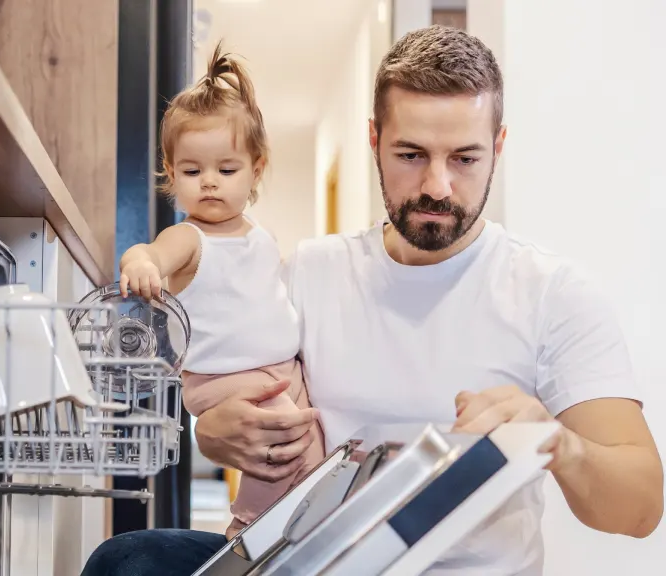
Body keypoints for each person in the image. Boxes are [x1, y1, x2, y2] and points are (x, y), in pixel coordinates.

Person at [82, 25, 664, 576]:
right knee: (127, 562)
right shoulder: (312, 270)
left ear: (498, 145)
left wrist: (554, 440)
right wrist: (211, 430)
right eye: (411, 155)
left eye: (465, 158)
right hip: (321, 561)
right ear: (374, 140)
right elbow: (232, 377)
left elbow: (640, 509)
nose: (438, 186)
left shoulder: (554, 294)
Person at [117, 40, 326, 542]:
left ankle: (299, 529)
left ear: (256, 169)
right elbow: (146, 254)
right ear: (172, 175)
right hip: (224, 377)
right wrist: (141, 264)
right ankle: (248, 528)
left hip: (280, 370)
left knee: (314, 449)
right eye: (192, 172)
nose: (209, 183)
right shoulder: (188, 238)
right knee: (281, 444)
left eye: (226, 170)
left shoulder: (260, 235)